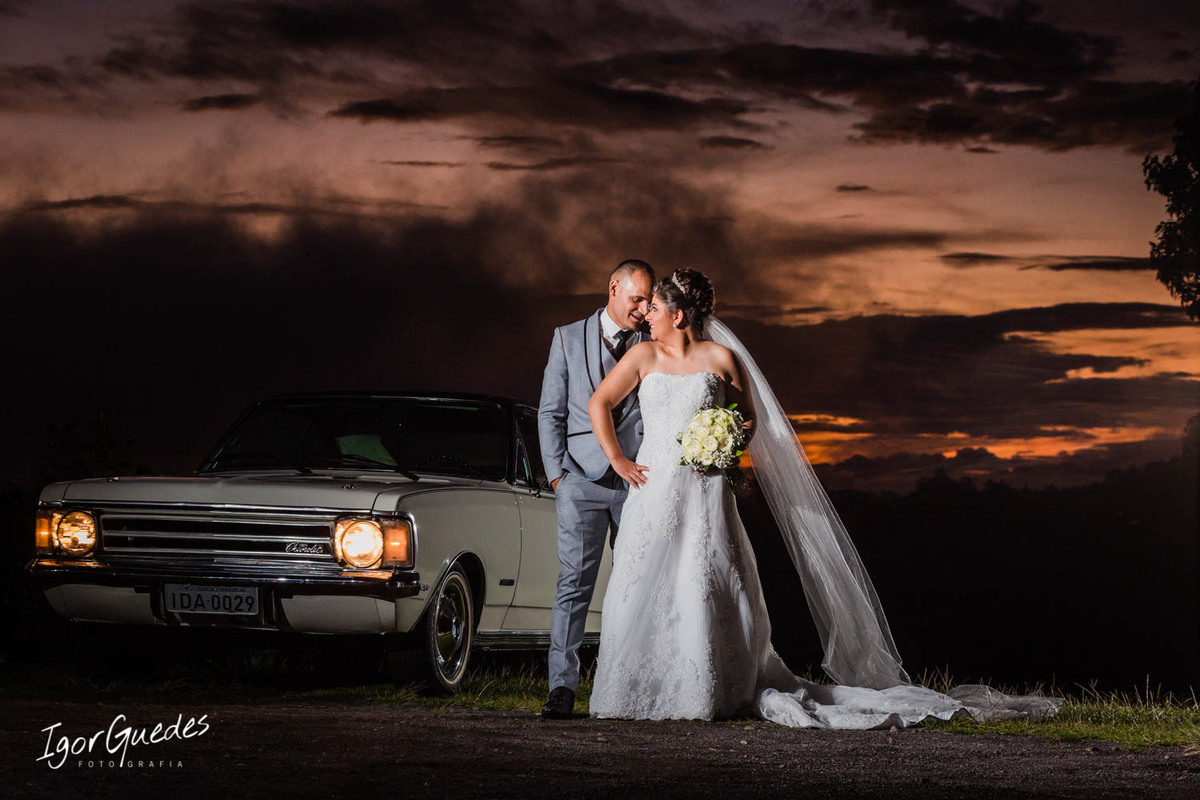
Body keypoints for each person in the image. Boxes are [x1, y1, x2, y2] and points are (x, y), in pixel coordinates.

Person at [585, 268, 1060, 728]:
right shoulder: (642, 357)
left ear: (678, 315)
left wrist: (728, 444)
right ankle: (637, 687)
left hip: (705, 489)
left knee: (705, 578)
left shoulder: (721, 359)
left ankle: (707, 686)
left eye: (654, 308)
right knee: (643, 578)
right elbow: (599, 403)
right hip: (654, 487)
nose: (646, 315)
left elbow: (747, 418)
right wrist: (619, 460)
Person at [537, 259, 656, 720]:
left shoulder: (655, 341)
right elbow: (551, 412)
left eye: (649, 301)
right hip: (579, 482)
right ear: (613, 288)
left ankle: (628, 686)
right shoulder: (567, 337)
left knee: (638, 584)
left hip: (638, 483)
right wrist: (557, 476)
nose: (644, 309)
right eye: (637, 299)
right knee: (574, 584)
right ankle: (561, 688)